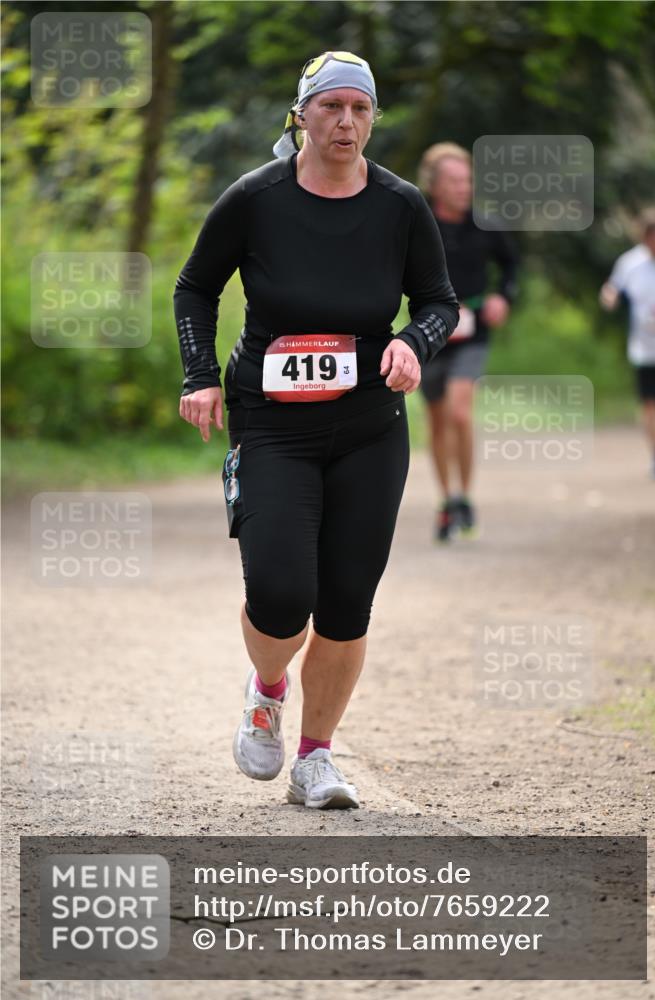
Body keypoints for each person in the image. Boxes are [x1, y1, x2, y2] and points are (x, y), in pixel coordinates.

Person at [174, 51, 459, 809]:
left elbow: (438, 301)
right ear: (300, 115)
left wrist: (411, 342)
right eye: (331, 106)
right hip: (272, 426)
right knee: (279, 591)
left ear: (372, 119)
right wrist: (199, 375)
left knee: (345, 601)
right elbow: (195, 286)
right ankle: (267, 689)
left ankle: (315, 758)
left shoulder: (399, 205)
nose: (346, 122)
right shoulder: (254, 199)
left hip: (369, 426)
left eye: (360, 109)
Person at [417, 143, 518, 541]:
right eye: (455, 181)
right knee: (438, 421)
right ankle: (447, 500)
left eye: (468, 181)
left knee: (460, 411)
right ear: (434, 186)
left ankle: (466, 495)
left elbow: (511, 268)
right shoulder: (418, 222)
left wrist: (502, 297)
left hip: (474, 332)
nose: (464, 188)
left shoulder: (486, 225)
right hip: (430, 334)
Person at [600, 210, 655, 478]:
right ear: (647, 238)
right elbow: (612, 288)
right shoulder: (630, 263)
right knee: (649, 404)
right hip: (646, 349)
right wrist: (609, 298)